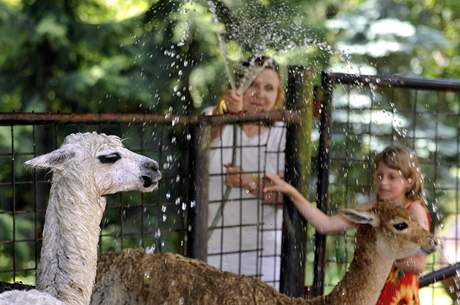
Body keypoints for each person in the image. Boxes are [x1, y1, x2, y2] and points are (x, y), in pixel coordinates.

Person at [264, 144, 431, 305]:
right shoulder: (372, 209)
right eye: (380, 176)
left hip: (398, 298)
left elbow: (418, 264)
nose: (383, 183)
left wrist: (382, 256)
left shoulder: (415, 210)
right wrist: (291, 192)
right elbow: (325, 224)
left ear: (409, 181)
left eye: (392, 177)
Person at [204, 55, 286, 289]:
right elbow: (201, 140)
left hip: (265, 253)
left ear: (278, 94)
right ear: (236, 88)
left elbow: (284, 198)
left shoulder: (285, 134)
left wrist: (248, 182)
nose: (260, 94)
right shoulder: (216, 119)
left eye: (269, 88)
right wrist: (229, 113)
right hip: (215, 248)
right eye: (253, 85)